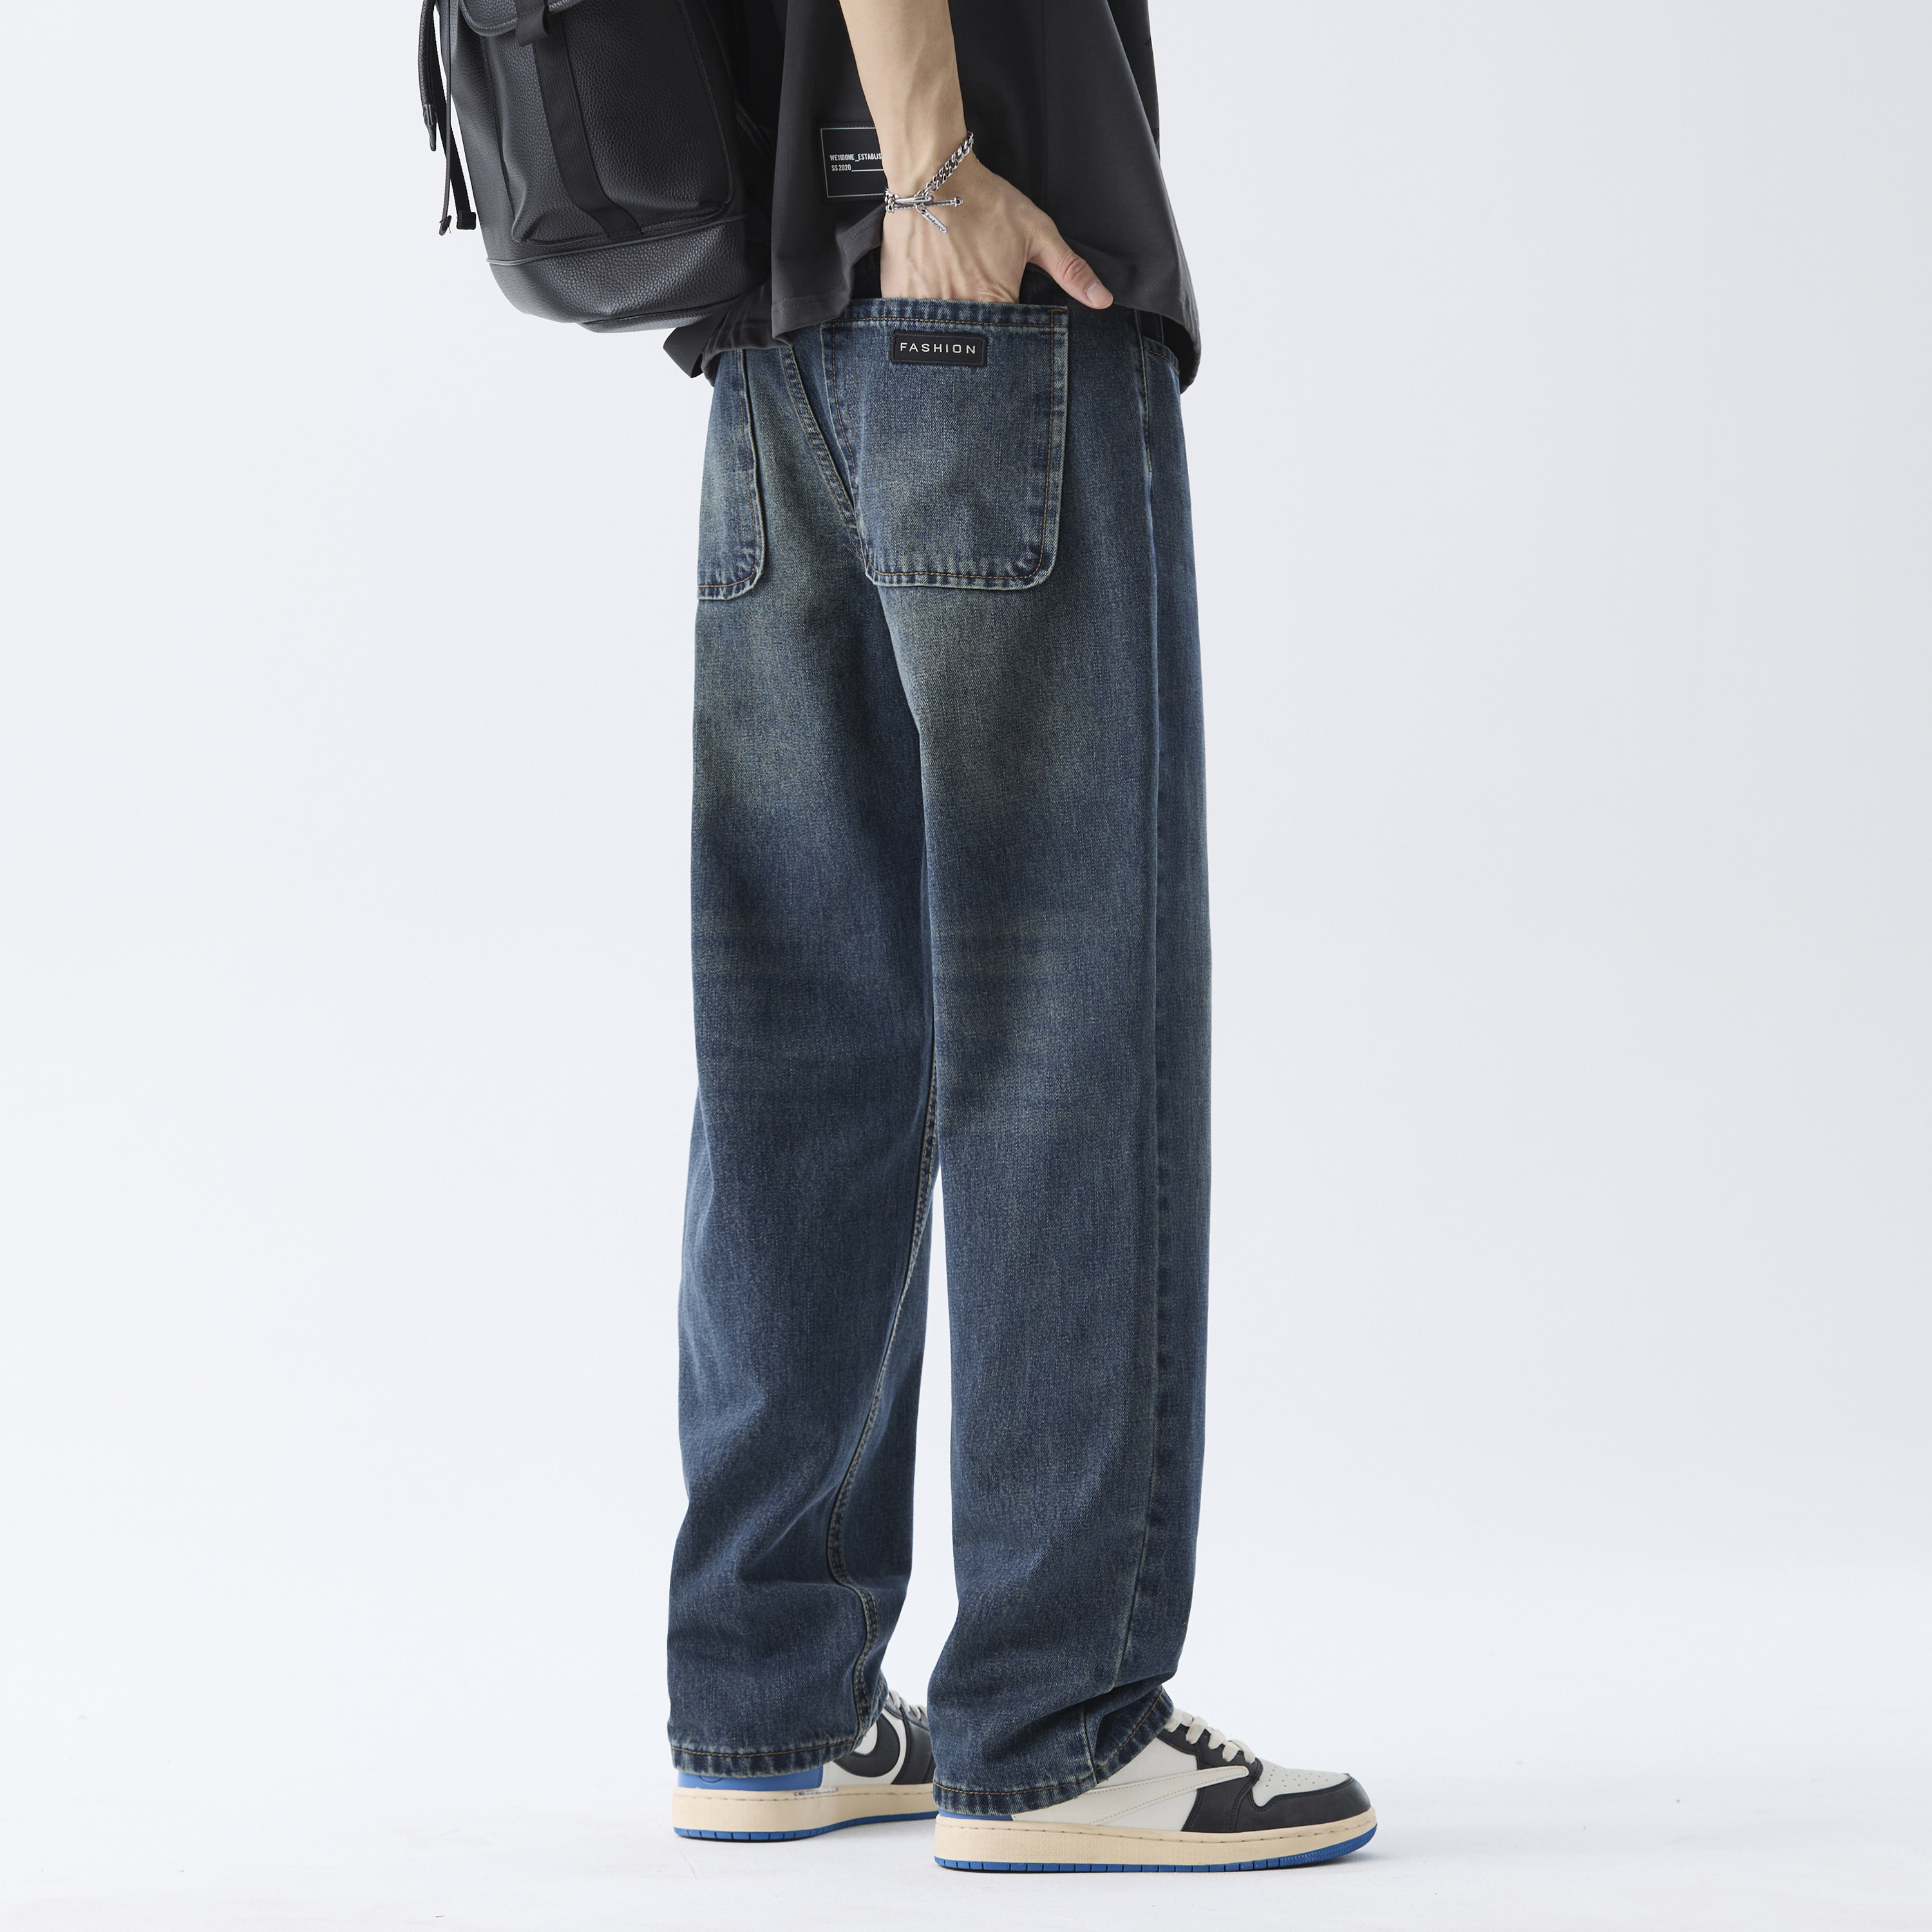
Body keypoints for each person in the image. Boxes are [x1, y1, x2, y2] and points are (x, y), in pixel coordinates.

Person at [665, 0, 1374, 1873]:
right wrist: (934, 170)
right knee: (1063, 1019)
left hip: (777, 341)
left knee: (803, 1049)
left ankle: (772, 1702)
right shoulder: (957, 202)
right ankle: (1058, 1730)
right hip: (986, 298)